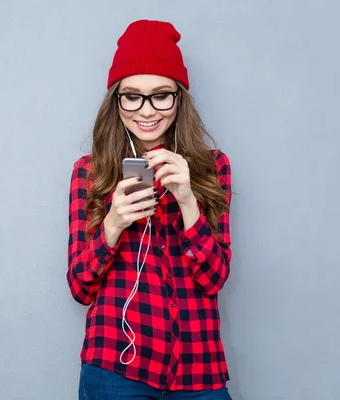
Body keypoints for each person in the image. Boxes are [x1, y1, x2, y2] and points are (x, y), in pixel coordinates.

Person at [67, 19, 233, 400]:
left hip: (199, 369)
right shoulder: (89, 172)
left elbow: (215, 279)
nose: (147, 110)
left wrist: (188, 200)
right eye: (132, 95)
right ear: (117, 100)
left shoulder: (212, 167)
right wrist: (112, 226)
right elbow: (79, 287)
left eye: (161, 95)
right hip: (115, 368)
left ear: (179, 99)